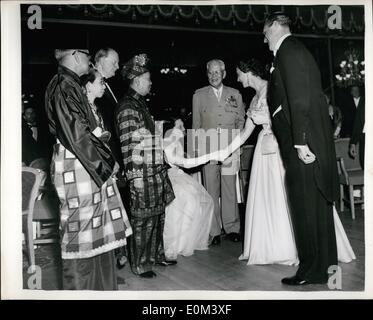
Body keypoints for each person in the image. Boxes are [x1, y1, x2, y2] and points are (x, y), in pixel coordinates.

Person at [221, 59, 355, 266]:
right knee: (266, 196)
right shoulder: (255, 98)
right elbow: (245, 132)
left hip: (279, 148)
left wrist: (271, 123)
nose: (237, 78)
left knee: (286, 196)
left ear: (247, 72)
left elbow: (291, 119)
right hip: (262, 150)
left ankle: (295, 248)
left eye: (238, 74)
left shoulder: (274, 89)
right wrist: (225, 151)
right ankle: (270, 246)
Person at [45, 49, 132, 290]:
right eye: (86, 56)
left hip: (85, 164)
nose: (89, 60)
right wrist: (105, 164)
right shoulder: (64, 84)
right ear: (75, 56)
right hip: (78, 164)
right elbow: (77, 135)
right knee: (79, 234)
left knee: (94, 232)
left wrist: (105, 164)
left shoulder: (67, 83)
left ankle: (99, 288)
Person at [264, 12, 340, 285]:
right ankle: (324, 268)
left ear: (274, 27)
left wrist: (299, 141)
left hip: (303, 146)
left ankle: (310, 271)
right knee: (315, 207)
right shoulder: (294, 50)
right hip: (307, 143)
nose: (264, 40)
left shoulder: (288, 50)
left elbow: (300, 99)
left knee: (305, 207)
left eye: (265, 33)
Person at [116, 54, 176, 278]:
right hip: (142, 174)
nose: (151, 83)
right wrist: (135, 177)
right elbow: (129, 146)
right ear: (138, 80)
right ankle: (140, 263)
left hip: (154, 170)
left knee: (158, 216)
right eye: (148, 79)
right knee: (142, 220)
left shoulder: (138, 103)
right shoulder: (127, 107)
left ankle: (156, 256)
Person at [192, 59, 245, 246]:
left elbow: (241, 123)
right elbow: (196, 125)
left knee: (230, 188)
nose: (214, 76)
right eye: (210, 73)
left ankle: (232, 227)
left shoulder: (235, 94)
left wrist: (237, 147)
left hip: (230, 147)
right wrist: (196, 152)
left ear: (224, 74)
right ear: (207, 74)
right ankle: (213, 231)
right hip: (208, 148)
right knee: (211, 189)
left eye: (217, 72)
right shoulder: (199, 95)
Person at [163, 118, 220, 260]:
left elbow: (185, 162)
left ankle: (187, 241)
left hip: (177, 175)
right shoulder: (167, 144)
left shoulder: (177, 143)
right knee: (185, 199)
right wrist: (211, 156)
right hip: (167, 178)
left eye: (183, 126)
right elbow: (185, 163)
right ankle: (174, 244)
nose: (183, 129)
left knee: (198, 199)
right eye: (179, 126)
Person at [94, 48, 122, 163]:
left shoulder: (109, 84)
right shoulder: (90, 84)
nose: (118, 67)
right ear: (101, 61)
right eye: (114, 62)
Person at [349, 89, 365, 169]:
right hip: (365, 140)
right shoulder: (363, 101)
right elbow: (358, 123)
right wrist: (353, 143)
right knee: (364, 164)